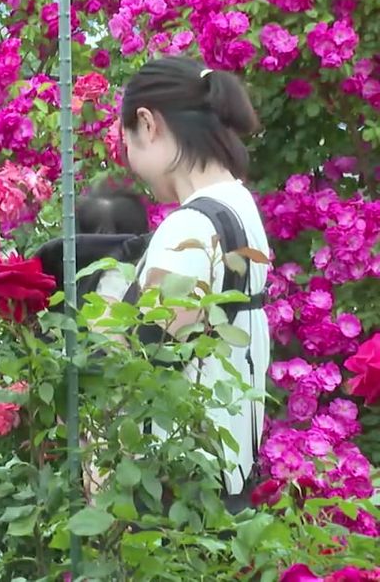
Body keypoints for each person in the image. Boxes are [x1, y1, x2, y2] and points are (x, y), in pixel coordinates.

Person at [119, 56, 270, 507]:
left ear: (148, 124)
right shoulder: (240, 205)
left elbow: (145, 358)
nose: (131, 164)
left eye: (128, 142)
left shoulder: (188, 227)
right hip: (229, 479)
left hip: (177, 493)